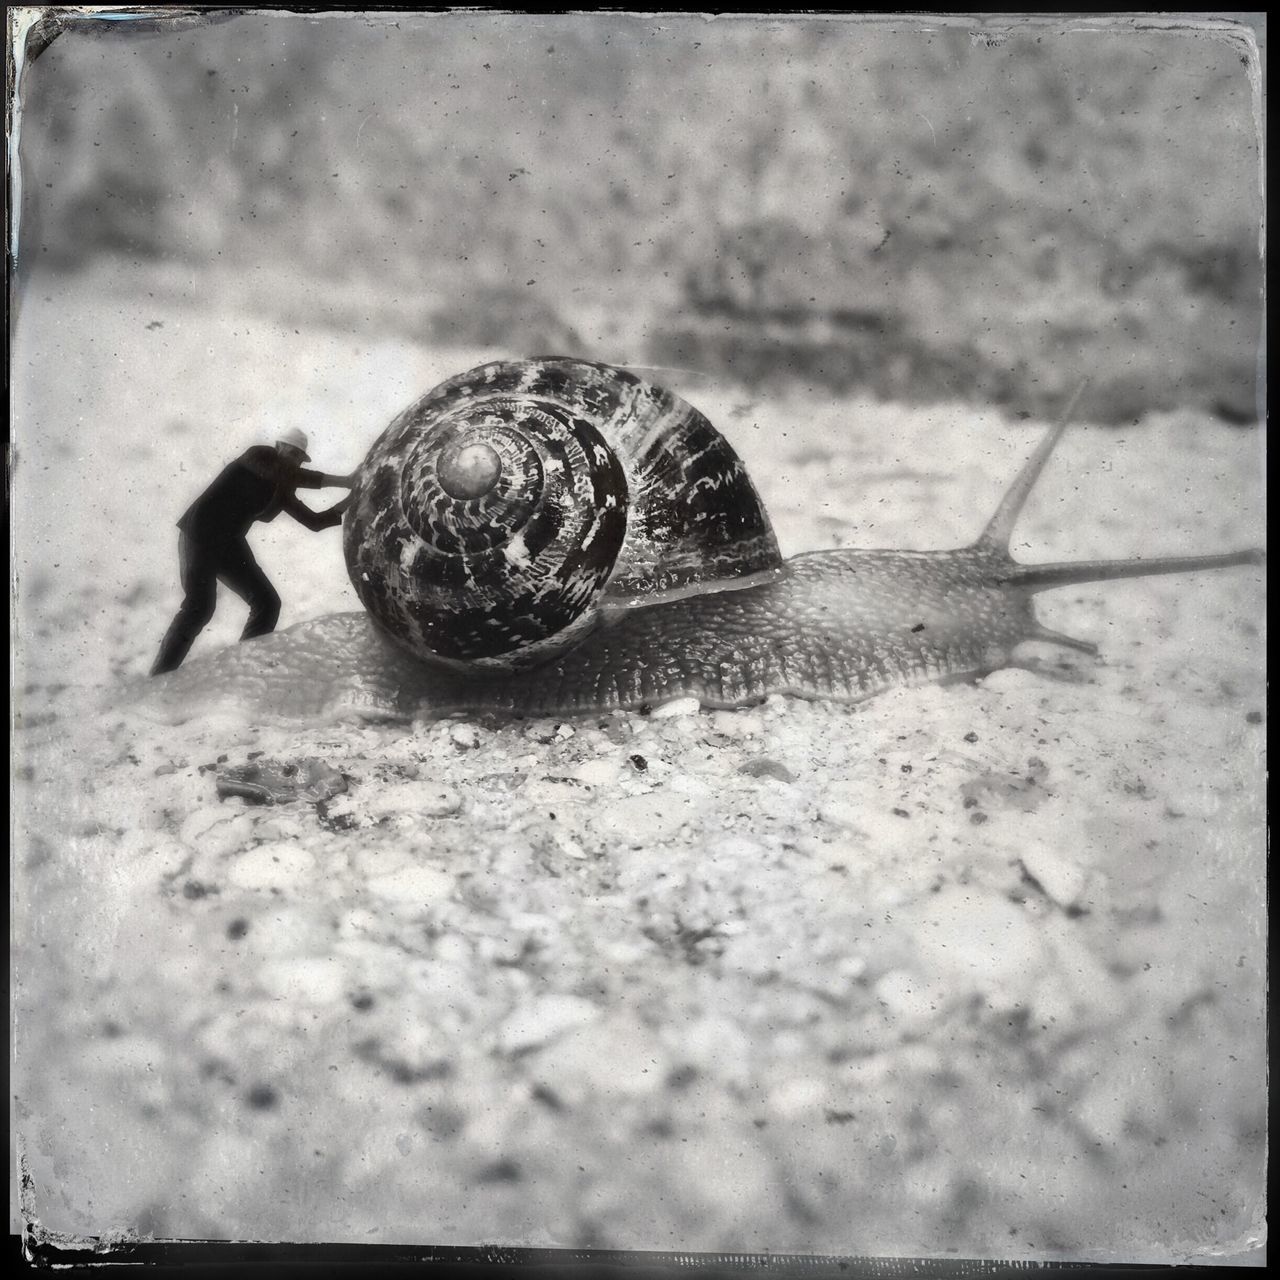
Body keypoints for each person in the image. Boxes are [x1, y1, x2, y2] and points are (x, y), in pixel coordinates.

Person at [150, 427, 356, 676]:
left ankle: (242, 669)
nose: (294, 459)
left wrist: (353, 497)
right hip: (200, 534)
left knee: (267, 603)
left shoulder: (283, 488)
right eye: (292, 453)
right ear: (278, 446)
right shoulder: (258, 455)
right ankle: (159, 677)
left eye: (299, 457)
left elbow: (315, 522)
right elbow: (285, 473)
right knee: (199, 607)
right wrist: (344, 481)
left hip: (229, 543)